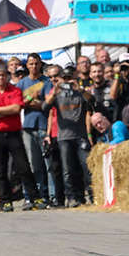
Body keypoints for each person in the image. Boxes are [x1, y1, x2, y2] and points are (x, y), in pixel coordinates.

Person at [0, 66, 44, 211]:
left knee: (23, 167)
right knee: (0, 170)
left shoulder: (15, 90)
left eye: (3, 75)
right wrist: (7, 110)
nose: (1, 78)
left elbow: (16, 109)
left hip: (14, 134)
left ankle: (35, 197)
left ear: (7, 76)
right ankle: (5, 201)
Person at [44, 66, 93, 206]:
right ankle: (71, 197)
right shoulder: (57, 93)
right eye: (65, 78)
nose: (67, 81)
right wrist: (55, 91)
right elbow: (44, 107)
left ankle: (91, 196)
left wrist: (80, 89)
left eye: (69, 78)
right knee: (67, 170)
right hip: (64, 137)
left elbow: (92, 101)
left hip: (80, 135)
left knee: (86, 166)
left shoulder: (80, 92)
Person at [16, 54, 55, 204]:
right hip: (27, 127)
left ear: (40, 65)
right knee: (33, 164)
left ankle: (50, 195)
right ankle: (34, 196)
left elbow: (47, 104)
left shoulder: (46, 82)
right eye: (31, 64)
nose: (34, 66)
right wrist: (32, 99)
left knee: (48, 164)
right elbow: (18, 104)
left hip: (44, 126)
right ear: (27, 65)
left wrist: (31, 102)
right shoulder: (22, 83)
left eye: (36, 63)